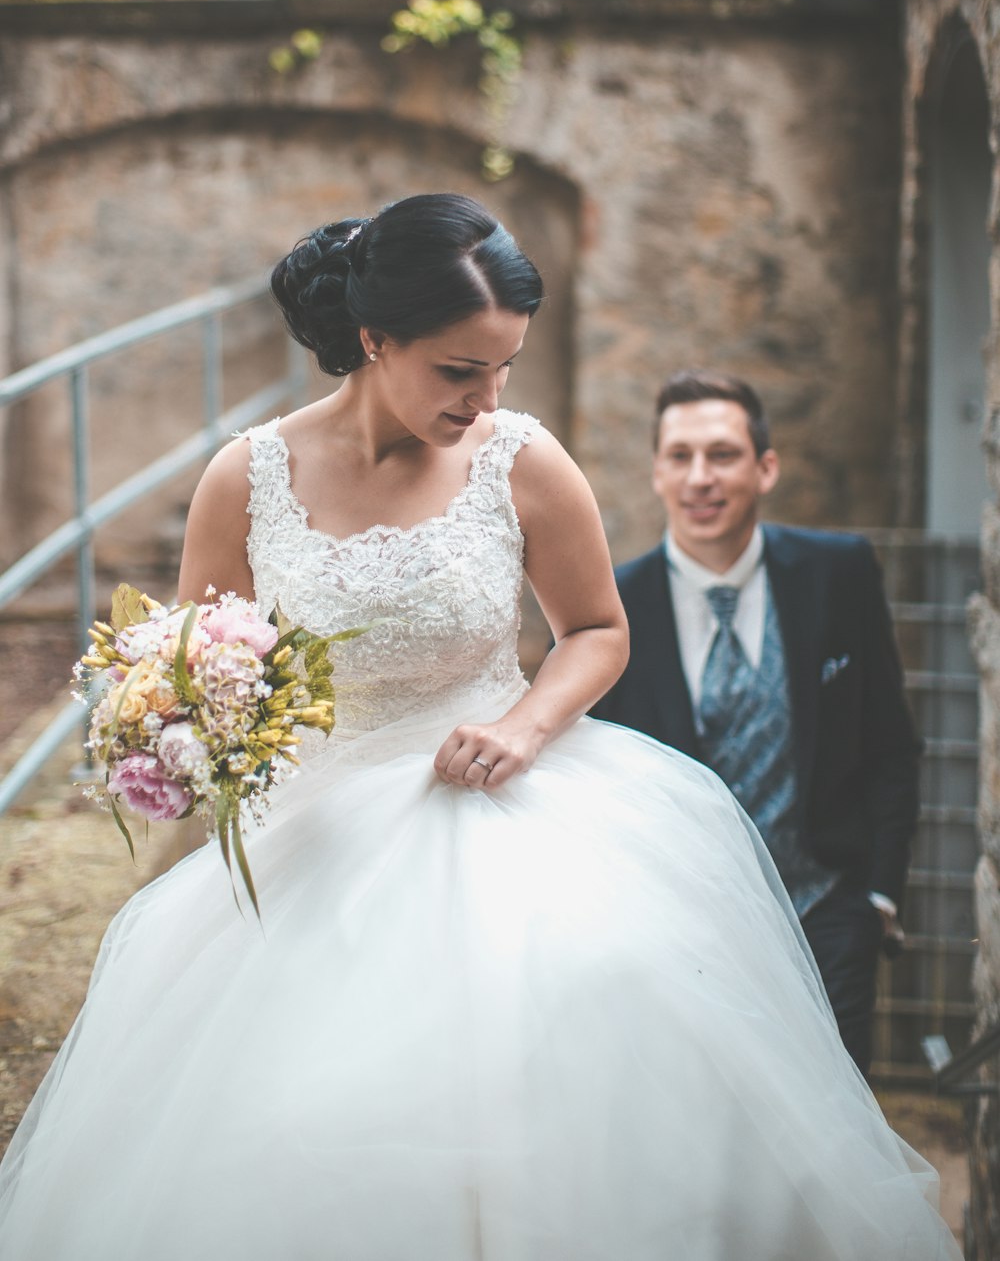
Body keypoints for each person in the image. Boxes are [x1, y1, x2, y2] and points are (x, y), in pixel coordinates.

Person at [0, 197, 958, 1260]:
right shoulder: (247, 477)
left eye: (503, 367)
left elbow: (596, 628)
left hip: (509, 817)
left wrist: (527, 723)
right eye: (460, 371)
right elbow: (198, 661)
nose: (486, 398)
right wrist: (177, 735)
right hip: (308, 855)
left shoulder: (519, 460)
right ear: (374, 340)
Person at [592, 367, 920, 1079]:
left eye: (723, 454)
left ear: (765, 467)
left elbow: (892, 744)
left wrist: (877, 902)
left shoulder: (840, 574)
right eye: (680, 457)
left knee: (835, 1152)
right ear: (656, 473)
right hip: (679, 935)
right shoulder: (610, 606)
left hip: (827, 916)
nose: (700, 478)